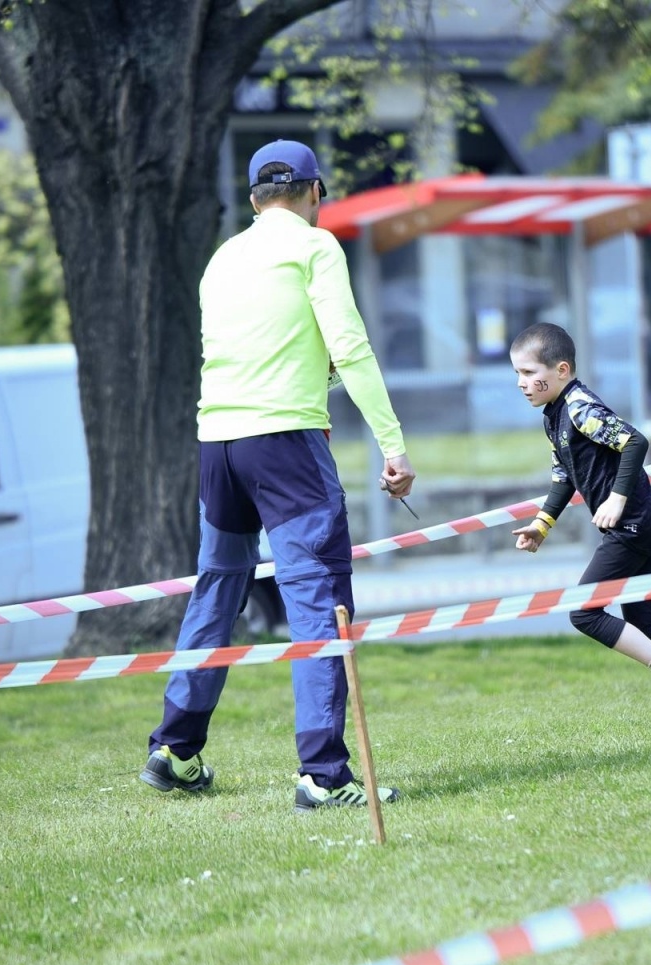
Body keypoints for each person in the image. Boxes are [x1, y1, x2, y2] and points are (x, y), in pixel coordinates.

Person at [142, 140, 416, 809]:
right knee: (317, 599)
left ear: (254, 198)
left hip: (217, 445)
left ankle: (175, 749)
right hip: (286, 444)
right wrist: (393, 445)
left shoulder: (222, 258)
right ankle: (323, 776)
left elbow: (261, 348)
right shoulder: (316, 247)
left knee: (216, 590)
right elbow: (349, 346)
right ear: (315, 192)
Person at [508, 322, 651, 732]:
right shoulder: (554, 415)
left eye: (529, 373)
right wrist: (541, 524)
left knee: (584, 612)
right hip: (633, 526)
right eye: (517, 373)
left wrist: (617, 498)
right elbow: (563, 477)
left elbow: (634, 442)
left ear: (562, 370)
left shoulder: (579, 408)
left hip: (633, 524)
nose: (521, 382)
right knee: (643, 620)